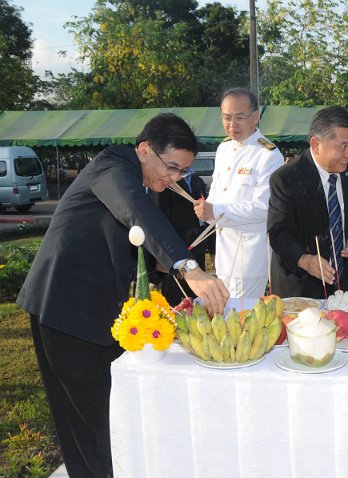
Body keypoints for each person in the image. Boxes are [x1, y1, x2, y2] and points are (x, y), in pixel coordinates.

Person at [16, 113, 229, 478]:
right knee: (88, 424)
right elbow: (134, 209)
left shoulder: (143, 177)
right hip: (65, 309)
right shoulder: (114, 164)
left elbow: (123, 233)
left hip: (98, 312)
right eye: (172, 167)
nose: (174, 178)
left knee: (110, 416)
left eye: (182, 172)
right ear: (145, 149)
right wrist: (188, 267)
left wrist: (156, 265)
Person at [268, 106, 348, 298]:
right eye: (342, 146)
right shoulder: (286, 178)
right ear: (316, 144)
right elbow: (278, 233)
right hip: (302, 287)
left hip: (347, 284)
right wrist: (304, 259)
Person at [194, 88, 284, 298]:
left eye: (239, 117)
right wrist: (206, 210)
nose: (232, 124)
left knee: (241, 319)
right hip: (224, 251)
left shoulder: (267, 154)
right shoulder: (223, 149)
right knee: (226, 313)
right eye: (226, 118)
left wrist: (216, 210)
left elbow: (264, 208)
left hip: (248, 256)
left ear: (255, 116)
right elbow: (216, 193)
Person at [158, 170, 210, 305]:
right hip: (175, 248)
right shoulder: (167, 183)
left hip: (197, 245)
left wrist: (212, 249)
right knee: (175, 296)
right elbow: (159, 222)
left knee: (196, 296)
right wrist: (162, 256)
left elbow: (207, 216)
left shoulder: (196, 181)